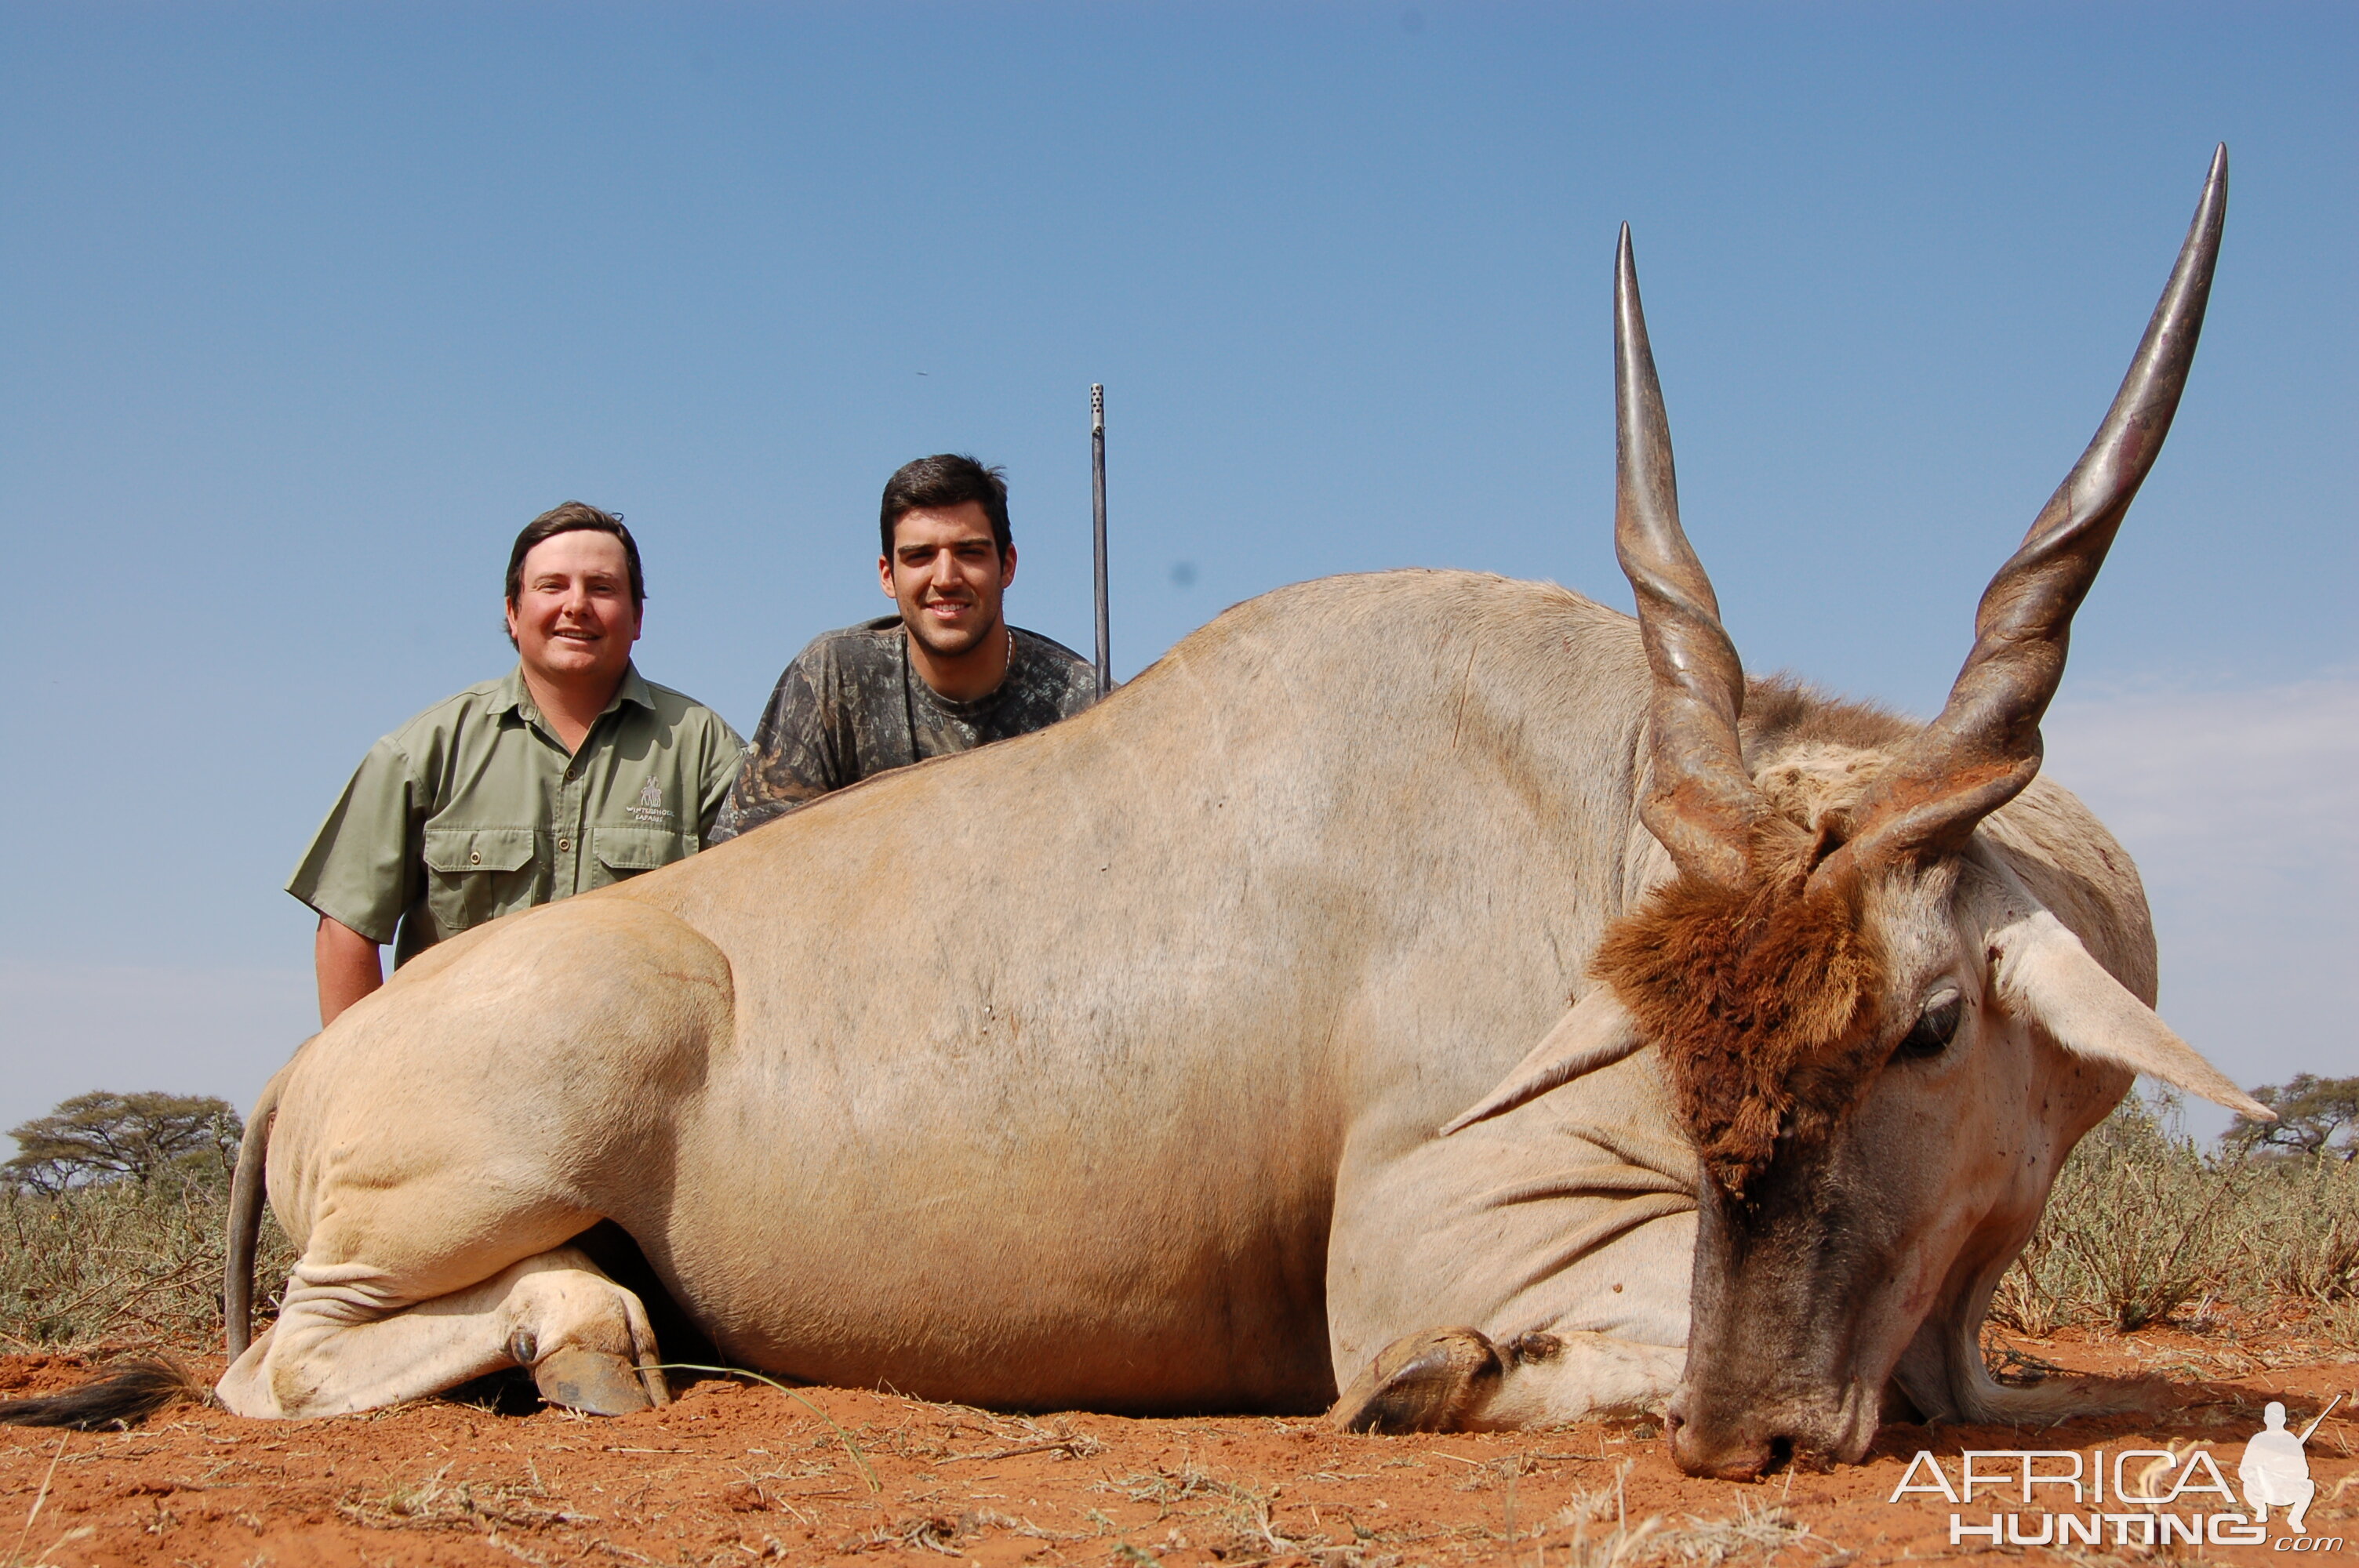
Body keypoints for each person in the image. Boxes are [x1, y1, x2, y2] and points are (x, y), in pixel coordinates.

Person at [288, 503, 744, 1026]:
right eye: (553, 586)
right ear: (512, 610)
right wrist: (362, 1088)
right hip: (457, 1087)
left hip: (648, 1092)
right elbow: (346, 930)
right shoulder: (424, 752)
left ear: (637, 617)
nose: (577, 605)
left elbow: (758, 929)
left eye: (602, 587)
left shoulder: (708, 751)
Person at [707, 454, 1097, 840]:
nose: (945, 578)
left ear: (1007, 565)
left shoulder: (1086, 704)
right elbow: (749, 858)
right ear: (888, 576)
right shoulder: (831, 677)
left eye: (970, 552)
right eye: (920, 556)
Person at [2239, 1400, 2317, 1533]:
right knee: (2254, 1476)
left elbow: (2304, 1472)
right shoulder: (2258, 1439)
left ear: (2283, 1420)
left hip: (2285, 1489)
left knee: (2308, 1485)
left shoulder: (2291, 1441)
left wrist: (2287, 1471)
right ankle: (2261, 1510)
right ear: (2266, 1419)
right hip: (2262, 1489)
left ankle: (2295, 1519)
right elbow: (2244, 1470)